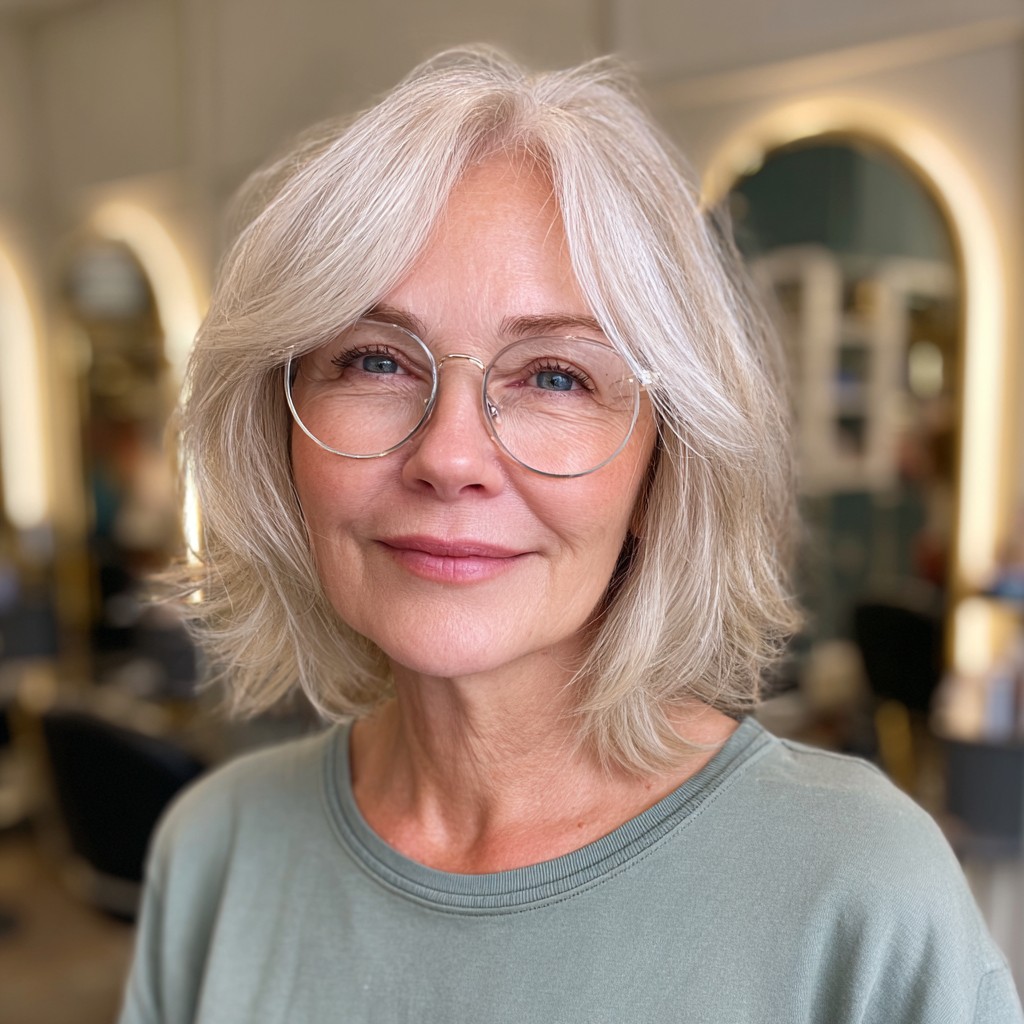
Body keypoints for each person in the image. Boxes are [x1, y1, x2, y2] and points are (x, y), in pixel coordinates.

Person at [118, 47, 1021, 1023]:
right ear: (275, 433)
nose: (450, 455)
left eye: (555, 375)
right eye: (374, 359)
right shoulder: (214, 847)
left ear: (662, 466)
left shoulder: (861, 892)